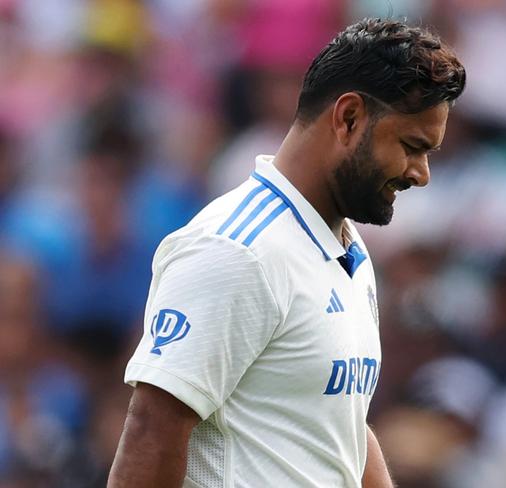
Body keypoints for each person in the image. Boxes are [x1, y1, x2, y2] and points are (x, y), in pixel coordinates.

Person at [108, 18, 465, 488]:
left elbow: (339, 429)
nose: (421, 174)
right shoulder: (236, 249)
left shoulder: (345, 247)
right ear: (349, 117)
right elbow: (151, 431)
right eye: (412, 146)